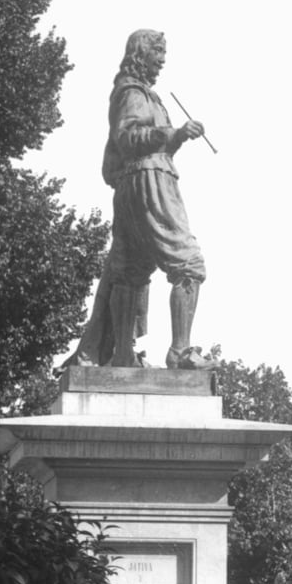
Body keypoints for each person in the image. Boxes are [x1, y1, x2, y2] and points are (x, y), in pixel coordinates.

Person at [72, 28, 210, 368]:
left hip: (134, 184)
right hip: (151, 180)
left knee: (130, 270)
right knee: (188, 263)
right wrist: (172, 133)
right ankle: (180, 352)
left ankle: (121, 356)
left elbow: (147, 141)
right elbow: (128, 138)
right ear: (140, 54)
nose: (162, 60)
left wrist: (178, 138)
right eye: (157, 53)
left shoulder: (140, 94)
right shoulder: (133, 93)